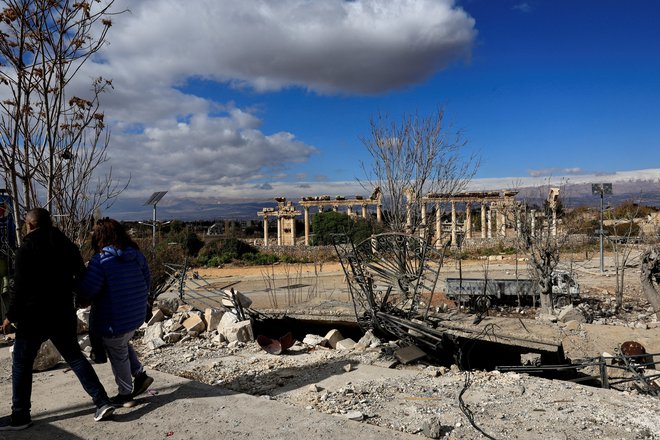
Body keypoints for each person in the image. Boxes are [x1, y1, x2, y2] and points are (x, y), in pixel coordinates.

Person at [0, 208, 114, 431]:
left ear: (30, 225)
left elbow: (19, 288)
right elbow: (81, 273)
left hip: (33, 317)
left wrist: (10, 316)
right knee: (75, 358)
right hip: (61, 313)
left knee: (22, 364)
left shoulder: (27, 248)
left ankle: (20, 415)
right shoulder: (67, 245)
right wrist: (79, 296)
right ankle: (102, 401)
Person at [79, 218, 153, 408]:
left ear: (100, 237)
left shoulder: (101, 260)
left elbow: (89, 290)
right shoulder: (136, 255)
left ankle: (126, 394)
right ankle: (140, 375)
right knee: (121, 343)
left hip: (114, 318)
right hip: (134, 314)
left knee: (117, 352)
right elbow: (147, 281)